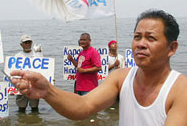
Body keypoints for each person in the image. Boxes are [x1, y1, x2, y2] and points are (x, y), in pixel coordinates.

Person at [10, 9, 187, 125]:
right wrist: (47, 91)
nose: (140, 44)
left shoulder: (180, 90)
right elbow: (83, 105)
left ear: (172, 48)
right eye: (137, 36)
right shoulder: (120, 77)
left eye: (151, 38)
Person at [15, 34, 43, 112]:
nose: (28, 44)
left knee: (34, 107)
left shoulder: (37, 55)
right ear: (21, 44)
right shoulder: (17, 56)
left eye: (29, 42)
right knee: (21, 107)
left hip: (34, 85)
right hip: (22, 84)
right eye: (25, 42)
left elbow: (44, 70)